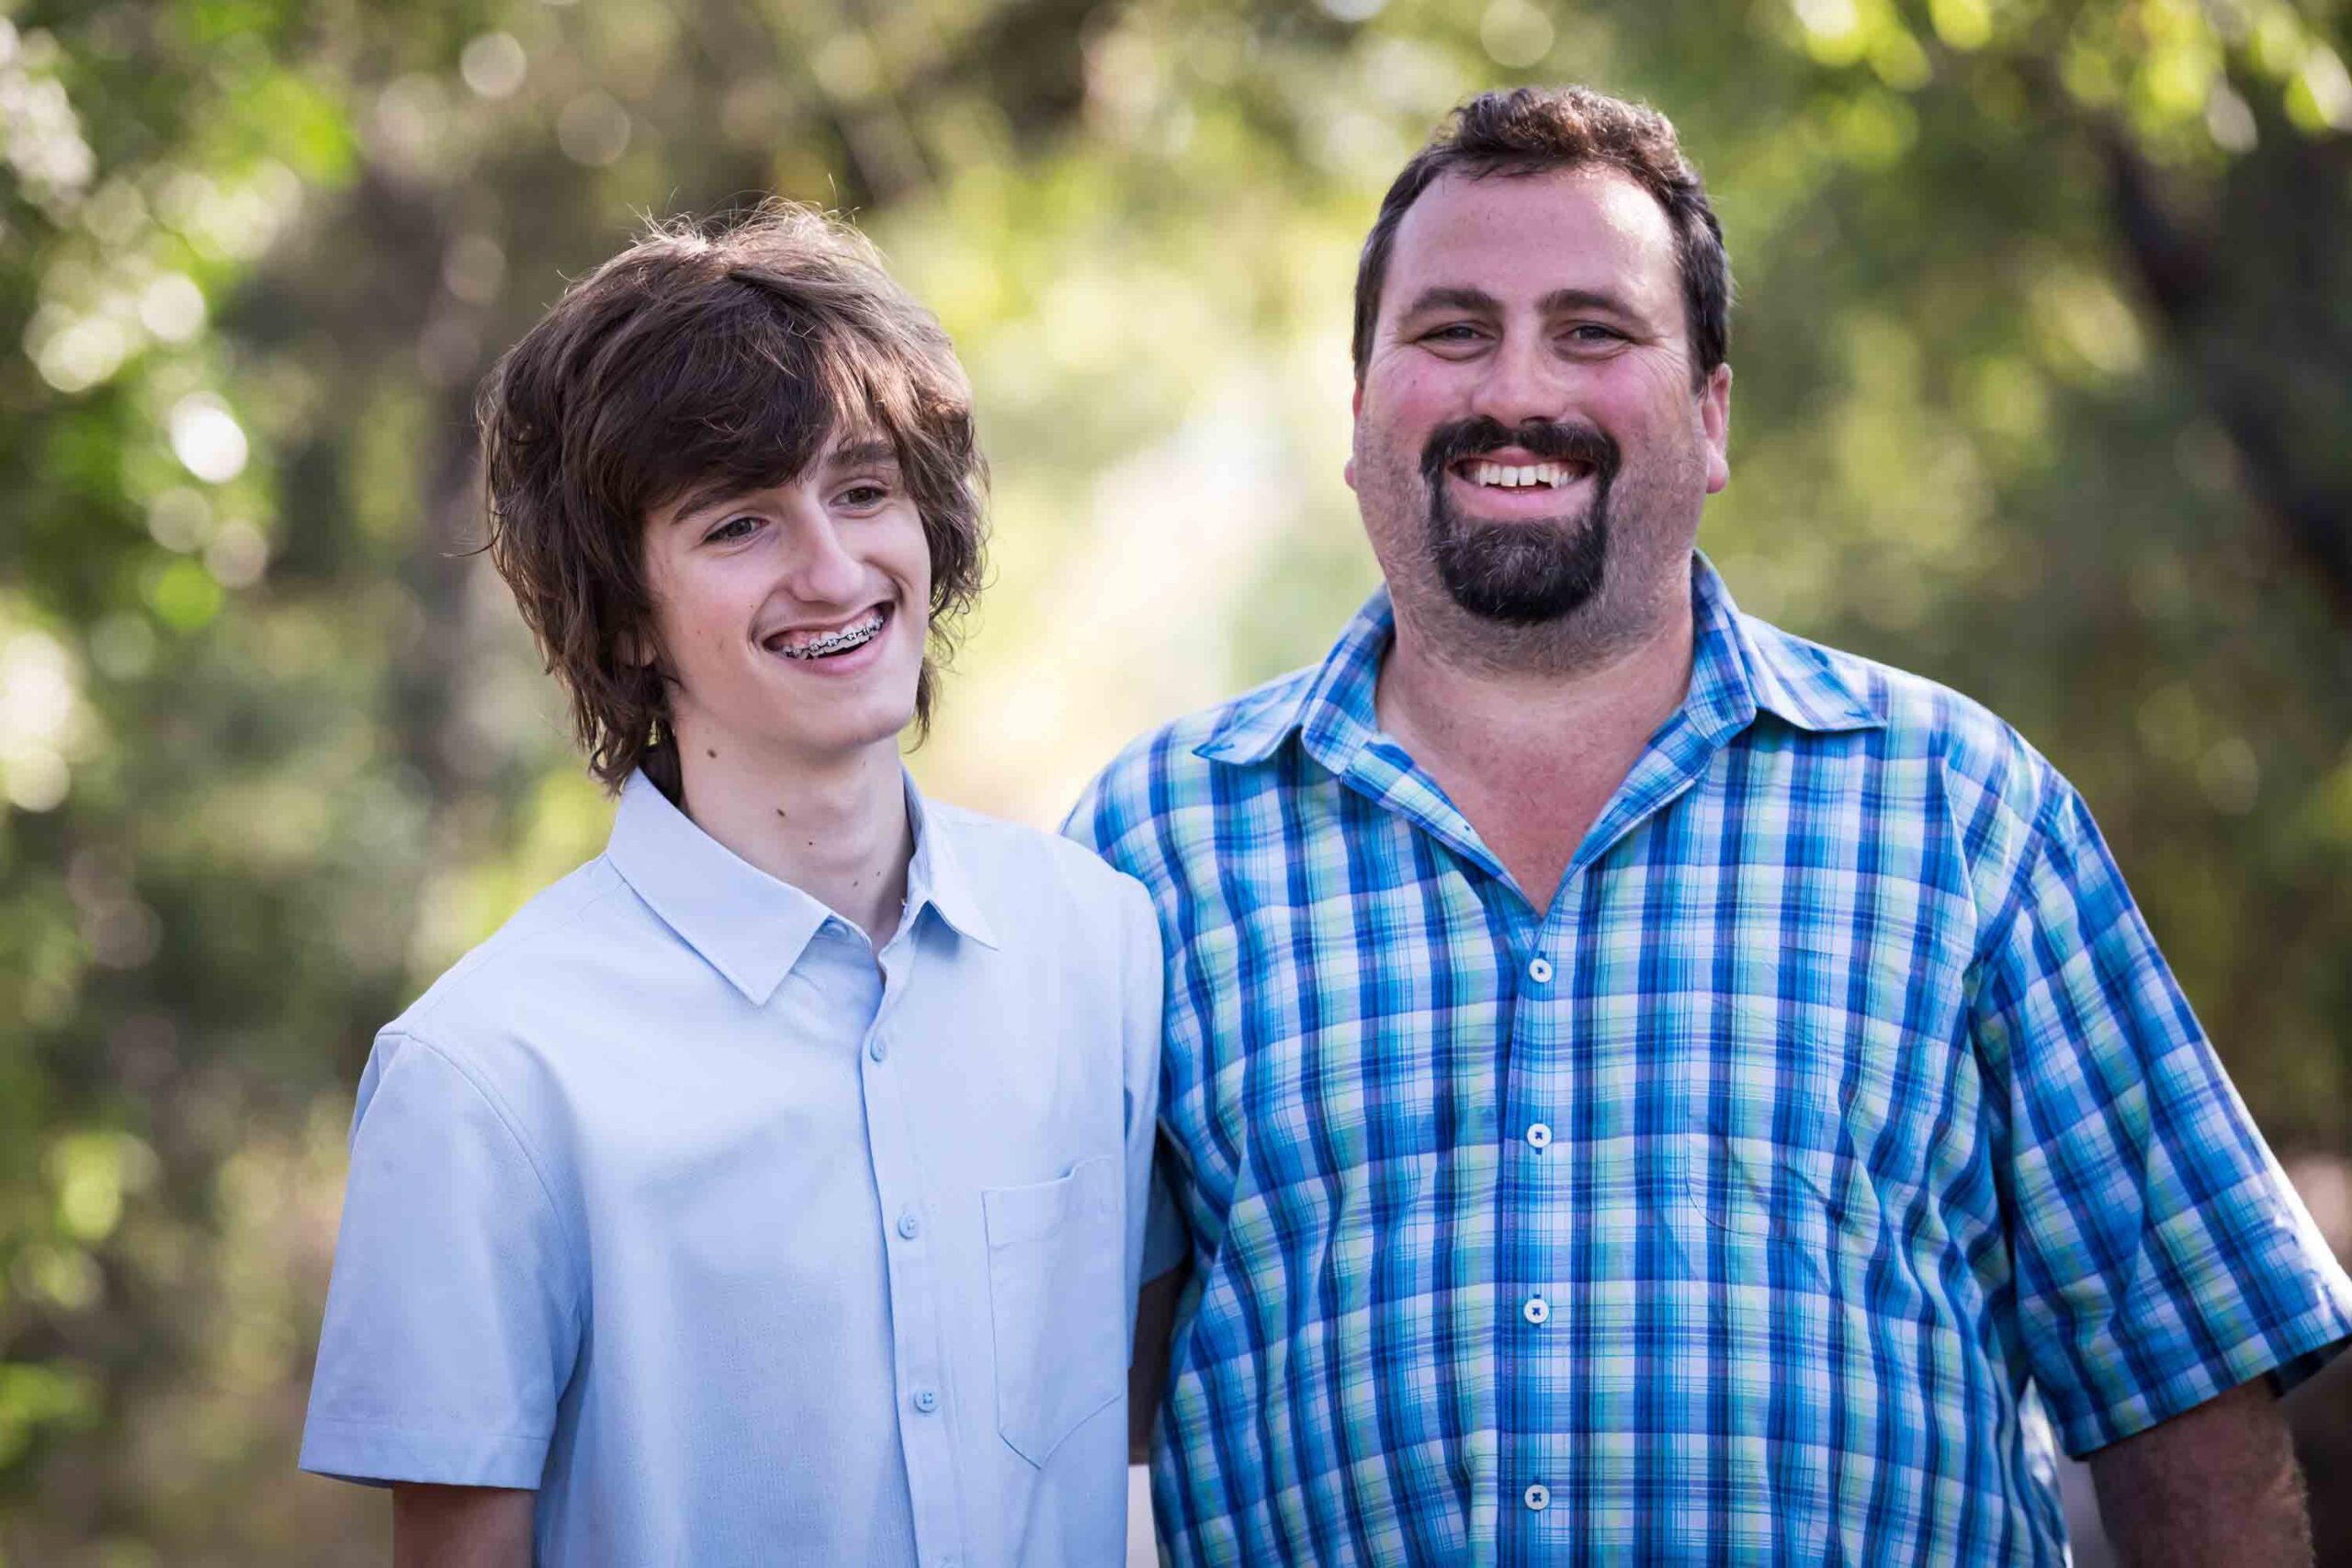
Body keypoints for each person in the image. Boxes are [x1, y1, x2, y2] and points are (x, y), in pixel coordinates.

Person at [1069, 85, 2352, 1563]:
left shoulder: (1962, 815)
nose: (1517, 389)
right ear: (1361, 410)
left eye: (1593, 332)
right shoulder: (1150, 851)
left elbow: (2184, 1391)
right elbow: (1045, 1396)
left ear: (1711, 411)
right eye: (1452, 330)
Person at [300, 207, 1163, 1567]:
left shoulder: (1104, 946)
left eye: (865, 490)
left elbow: (1137, 1418)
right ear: (625, 613)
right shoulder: (486, 1077)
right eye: (740, 523)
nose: (832, 569)